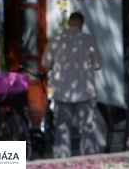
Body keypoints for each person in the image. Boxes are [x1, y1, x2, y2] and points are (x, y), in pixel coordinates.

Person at [41, 11, 102, 158]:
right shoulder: (89, 41)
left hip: (62, 91)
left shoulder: (56, 40)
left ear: (69, 23)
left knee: (62, 129)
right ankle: (90, 160)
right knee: (87, 128)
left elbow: (45, 63)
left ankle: (61, 162)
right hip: (85, 92)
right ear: (82, 24)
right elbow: (98, 65)